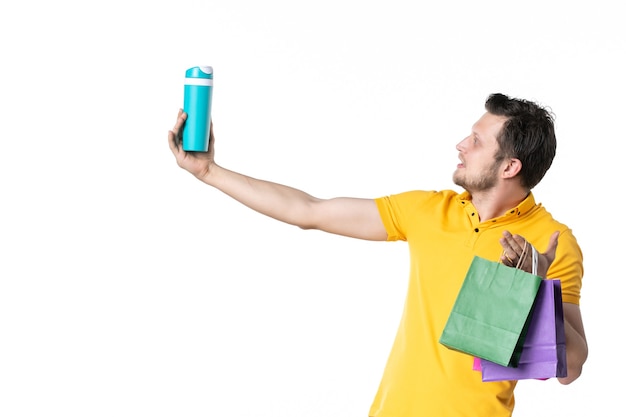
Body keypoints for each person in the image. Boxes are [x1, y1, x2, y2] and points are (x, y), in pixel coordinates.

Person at [167, 93, 588, 417]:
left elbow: (571, 369)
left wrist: (533, 292)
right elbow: (309, 211)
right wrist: (209, 172)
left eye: (476, 141)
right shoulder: (430, 210)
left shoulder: (552, 241)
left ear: (509, 167)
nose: (461, 144)